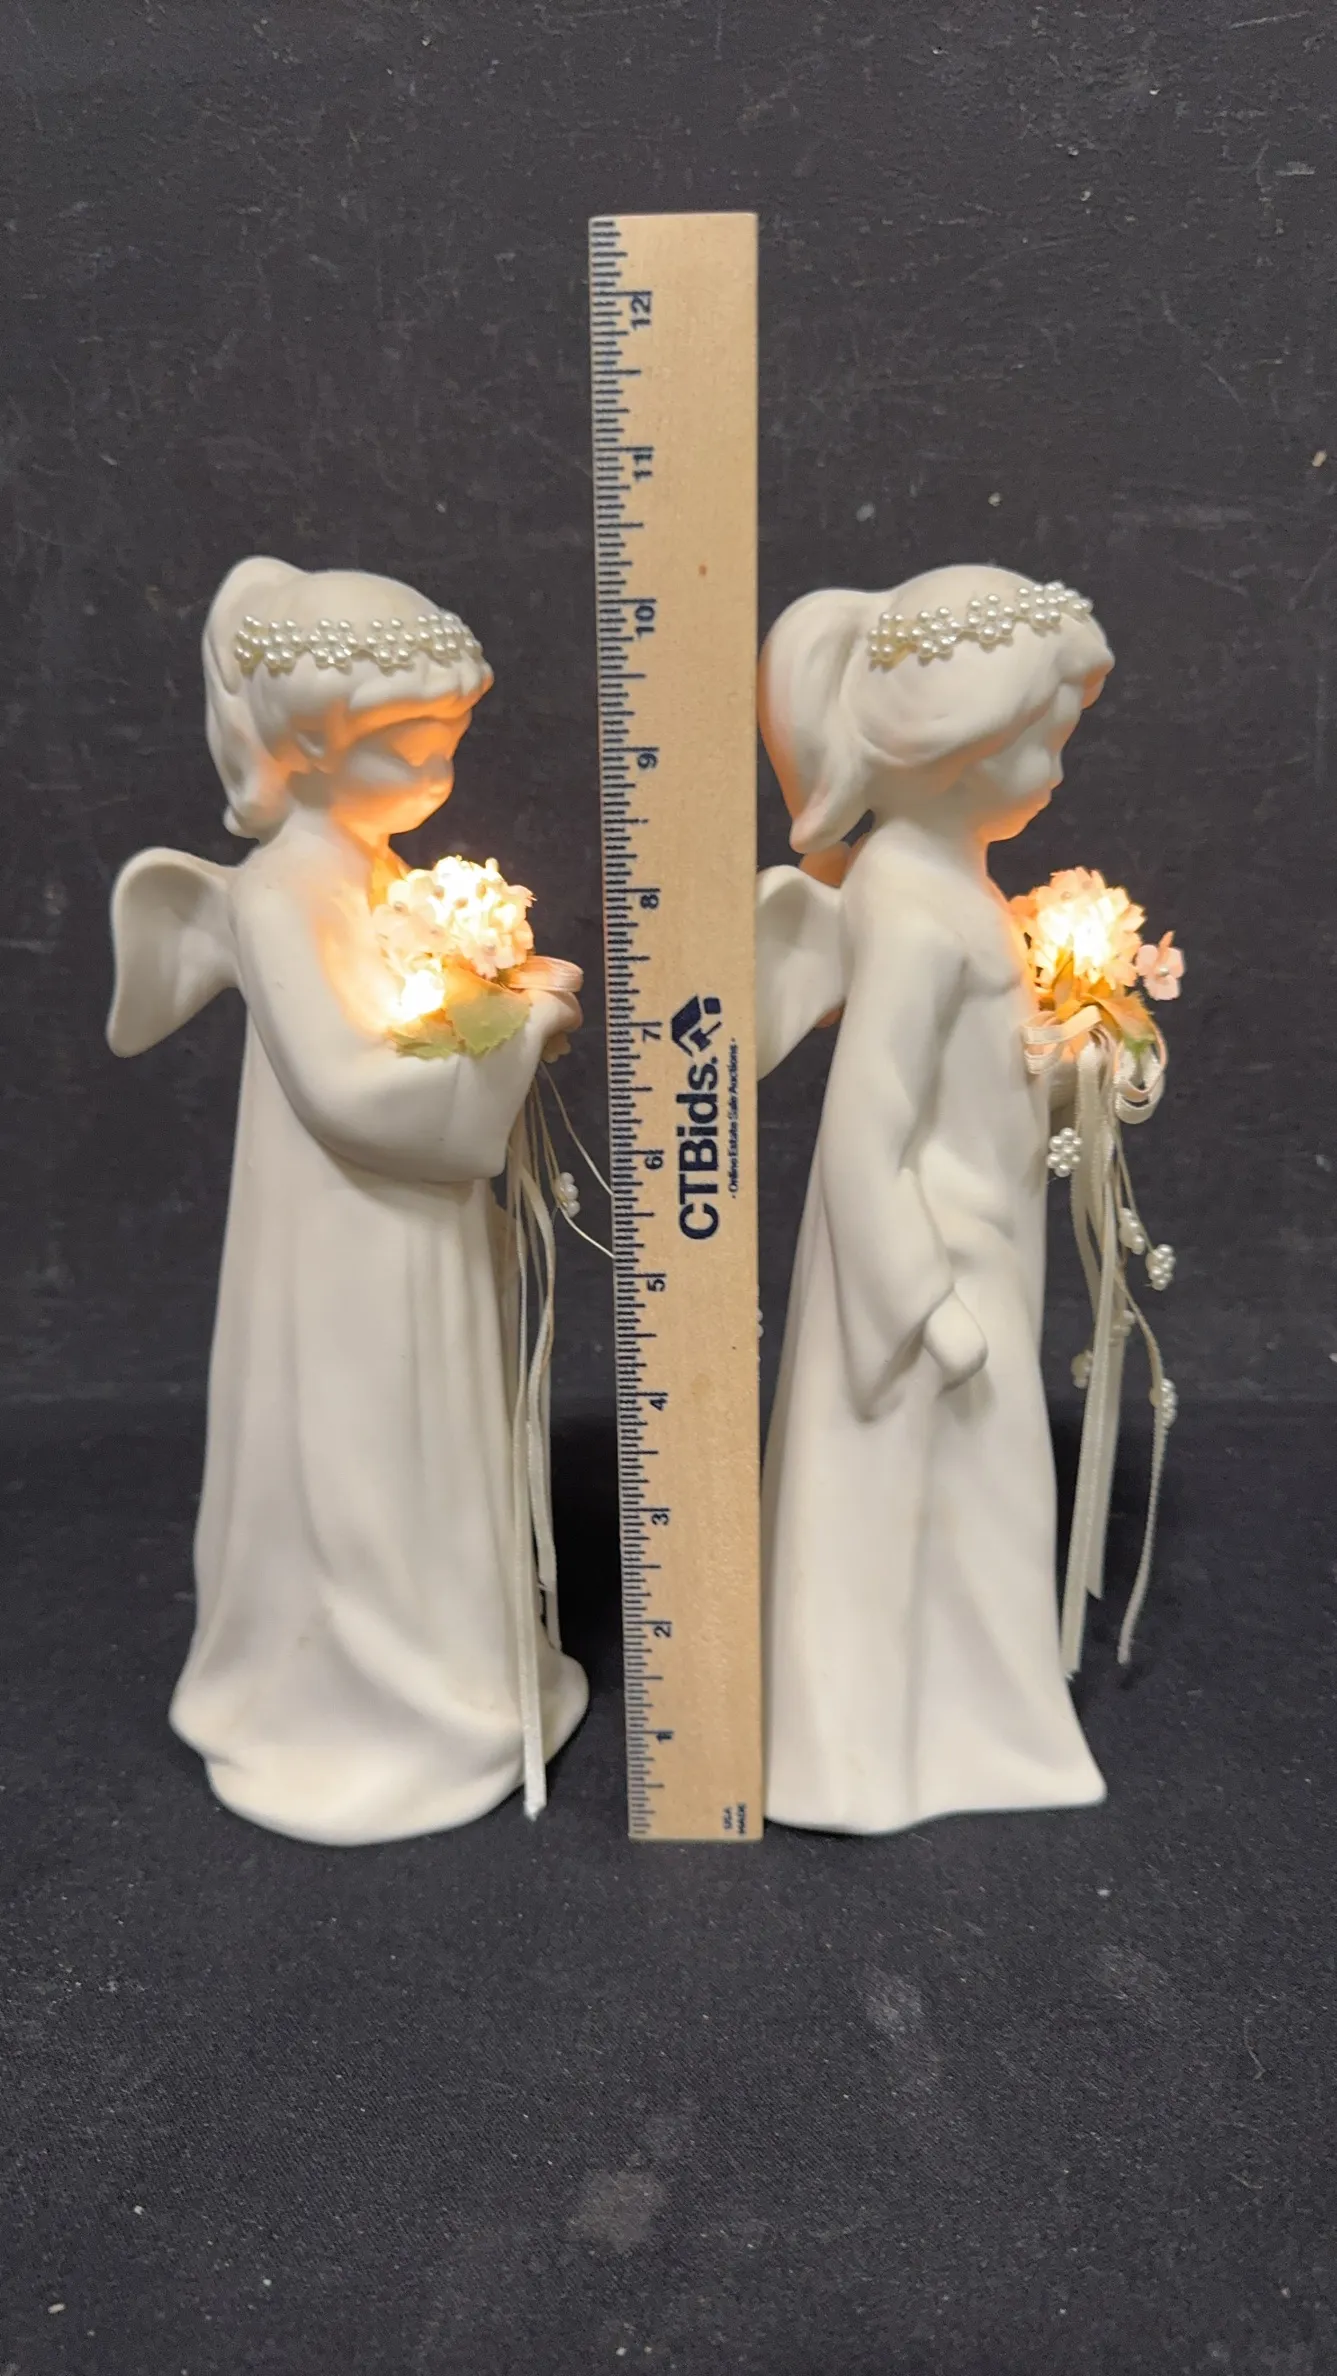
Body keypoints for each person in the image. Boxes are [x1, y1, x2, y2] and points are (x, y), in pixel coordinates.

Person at [107, 558, 587, 1843]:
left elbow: (414, 1029)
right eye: (404, 743)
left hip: (412, 1224)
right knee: (359, 1448)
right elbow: (344, 1091)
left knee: (424, 1440)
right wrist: (512, 1029)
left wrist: (496, 1001)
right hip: (344, 1229)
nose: (435, 771)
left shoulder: (378, 876)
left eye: (449, 738)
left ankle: (455, 1664)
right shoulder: (281, 892)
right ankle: (368, 1699)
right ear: (309, 744)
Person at [755, 566, 1114, 1835]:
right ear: (951, 752)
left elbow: (984, 1074)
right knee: (923, 1496)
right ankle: (873, 1748)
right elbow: (866, 1129)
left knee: (972, 1504)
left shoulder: (956, 887)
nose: (1054, 772)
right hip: (931, 1265)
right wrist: (922, 1305)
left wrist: (1074, 1061)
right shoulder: (911, 908)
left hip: (984, 1245)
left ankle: (962, 1725)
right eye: (1038, 745)